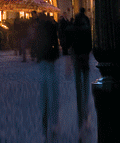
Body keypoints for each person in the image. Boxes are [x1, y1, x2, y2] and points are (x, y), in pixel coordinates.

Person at [32, 12, 61, 141]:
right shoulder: (51, 27)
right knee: (53, 86)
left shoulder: (38, 28)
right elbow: (55, 41)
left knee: (44, 85)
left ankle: (45, 127)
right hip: (51, 59)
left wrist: (36, 55)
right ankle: (54, 123)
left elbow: (36, 43)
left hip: (43, 58)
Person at [66, 10, 92, 130]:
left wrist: (69, 60)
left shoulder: (73, 29)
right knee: (86, 80)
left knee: (78, 80)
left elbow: (69, 44)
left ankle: (79, 101)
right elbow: (90, 45)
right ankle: (85, 102)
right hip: (85, 58)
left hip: (76, 57)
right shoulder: (87, 29)